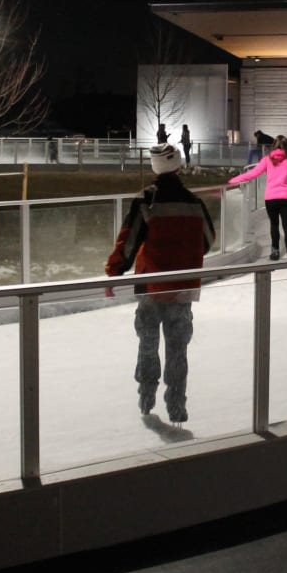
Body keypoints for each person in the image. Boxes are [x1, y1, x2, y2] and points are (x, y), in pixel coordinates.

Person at [106, 143, 216, 424]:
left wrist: (114, 272)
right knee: (178, 348)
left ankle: (147, 394)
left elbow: (128, 242)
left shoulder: (146, 201)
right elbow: (207, 239)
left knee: (148, 342)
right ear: (179, 166)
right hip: (182, 288)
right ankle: (177, 403)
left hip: (151, 287)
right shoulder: (194, 203)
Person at [228, 134, 287, 260]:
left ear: (274, 146)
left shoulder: (267, 160)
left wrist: (233, 180)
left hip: (271, 198)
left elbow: (252, 174)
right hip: (285, 198)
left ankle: (275, 251)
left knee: (274, 225)